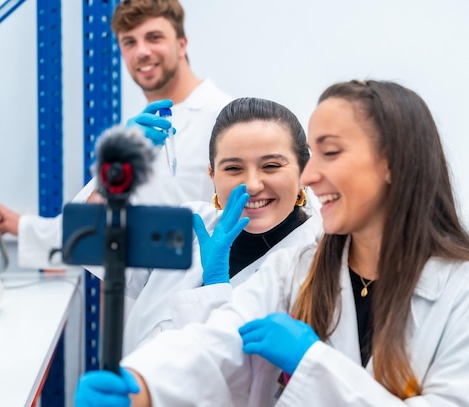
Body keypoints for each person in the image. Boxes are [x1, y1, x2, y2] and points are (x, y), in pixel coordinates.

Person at [74, 80, 469, 407]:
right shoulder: (302, 268)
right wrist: (141, 385)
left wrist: (314, 364)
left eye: (327, 154)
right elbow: (218, 343)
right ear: (211, 174)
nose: (312, 176)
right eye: (232, 167)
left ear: (392, 163)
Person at [0, 0, 232, 269]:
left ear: (181, 43)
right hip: (139, 299)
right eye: (129, 42)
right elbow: (87, 225)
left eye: (154, 37)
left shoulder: (223, 117)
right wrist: (20, 226)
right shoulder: (141, 129)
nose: (141, 52)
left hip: (201, 301)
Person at [121, 97, 321, 354]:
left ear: (303, 171)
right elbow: (89, 244)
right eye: (233, 168)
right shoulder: (188, 223)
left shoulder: (316, 270)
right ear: (212, 175)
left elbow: (225, 372)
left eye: (271, 166)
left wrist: (216, 287)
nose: (252, 184)